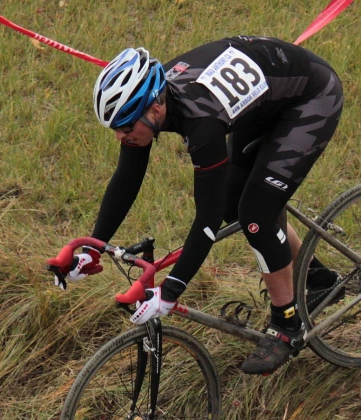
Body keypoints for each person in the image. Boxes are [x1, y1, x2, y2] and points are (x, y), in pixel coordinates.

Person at [62, 36, 343, 374]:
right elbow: (127, 179)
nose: (120, 137)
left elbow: (205, 220)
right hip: (267, 99)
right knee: (234, 206)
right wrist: (93, 248)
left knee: (255, 213)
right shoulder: (149, 103)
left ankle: (286, 324)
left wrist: (172, 289)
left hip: (311, 97)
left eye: (124, 127)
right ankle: (320, 279)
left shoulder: (202, 123)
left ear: (154, 109)